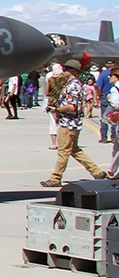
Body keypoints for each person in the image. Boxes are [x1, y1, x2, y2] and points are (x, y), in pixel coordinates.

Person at [42, 58, 108, 187]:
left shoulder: (73, 86)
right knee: (74, 150)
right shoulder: (74, 84)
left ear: (73, 71)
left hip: (68, 122)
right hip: (73, 122)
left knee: (63, 151)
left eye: (66, 69)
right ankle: (96, 172)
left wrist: (57, 109)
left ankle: (56, 178)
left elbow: (72, 107)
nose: (64, 72)